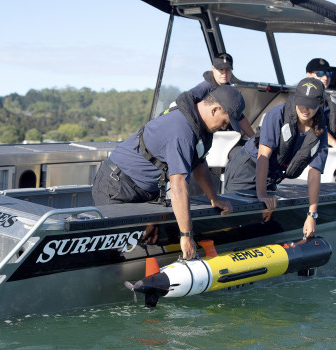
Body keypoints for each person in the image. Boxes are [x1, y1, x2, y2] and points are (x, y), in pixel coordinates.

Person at [92, 85, 246, 260]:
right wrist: (187, 236)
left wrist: (214, 198)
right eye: (225, 122)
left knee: (148, 239)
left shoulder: (200, 128)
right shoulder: (181, 131)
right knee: (112, 249)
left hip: (146, 190)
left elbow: (199, 163)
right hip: (117, 185)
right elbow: (178, 185)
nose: (225, 128)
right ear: (215, 109)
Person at [223, 77, 328, 240]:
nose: (305, 109)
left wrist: (311, 215)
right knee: (237, 223)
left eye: (311, 104)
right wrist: (262, 195)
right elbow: (263, 156)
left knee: (264, 222)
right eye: (301, 102)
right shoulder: (277, 114)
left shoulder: (320, 131)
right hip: (247, 168)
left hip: (271, 176)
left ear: (320, 104)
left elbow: (314, 172)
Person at [189, 53, 255, 137]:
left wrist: (254, 138)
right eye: (221, 69)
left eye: (228, 70)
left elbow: (239, 117)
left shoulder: (228, 91)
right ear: (213, 68)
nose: (224, 73)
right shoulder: (204, 88)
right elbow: (184, 105)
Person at [305, 58, 336, 155]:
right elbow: (311, 124)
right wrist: (335, 144)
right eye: (320, 74)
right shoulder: (303, 99)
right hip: (308, 151)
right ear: (308, 75)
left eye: (328, 74)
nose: (325, 78)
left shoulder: (329, 101)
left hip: (325, 151)